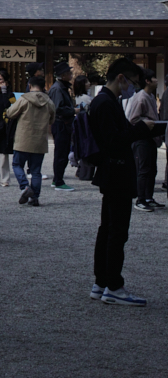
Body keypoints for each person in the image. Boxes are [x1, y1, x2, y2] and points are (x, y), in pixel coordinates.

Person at [88, 58, 158, 305]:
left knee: (107, 228)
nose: (134, 88)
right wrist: (141, 129)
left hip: (110, 173)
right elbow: (114, 141)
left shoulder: (103, 101)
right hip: (117, 172)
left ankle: (102, 281)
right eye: (133, 82)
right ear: (121, 78)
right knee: (117, 231)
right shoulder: (107, 103)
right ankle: (114, 286)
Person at [8, 75, 55, 207]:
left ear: (30, 85)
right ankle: (35, 197)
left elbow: (10, 113)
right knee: (36, 171)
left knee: (17, 165)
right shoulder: (49, 101)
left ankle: (25, 187)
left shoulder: (24, 99)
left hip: (23, 139)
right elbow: (52, 119)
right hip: (39, 140)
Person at [126, 68, 160, 212]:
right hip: (142, 138)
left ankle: (148, 197)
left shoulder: (151, 96)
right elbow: (133, 119)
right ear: (147, 81)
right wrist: (147, 122)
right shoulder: (140, 97)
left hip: (151, 137)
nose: (157, 81)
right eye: (154, 78)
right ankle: (140, 199)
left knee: (152, 169)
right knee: (144, 169)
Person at [46, 62, 77, 192]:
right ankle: (59, 181)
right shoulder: (58, 89)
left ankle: (57, 179)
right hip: (61, 124)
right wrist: (74, 111)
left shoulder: (60, 87)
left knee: (61, 152)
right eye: (69, 73)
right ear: (63, 75)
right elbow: (58, 108)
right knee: (61, 153)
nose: (71, 75)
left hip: (62, 124)